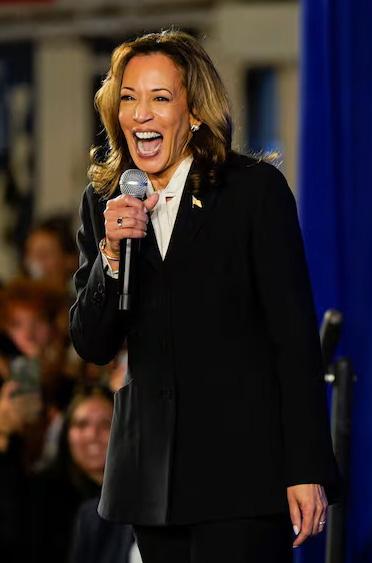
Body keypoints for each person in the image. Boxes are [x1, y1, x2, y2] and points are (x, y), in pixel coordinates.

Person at [70, 29, 340, 563]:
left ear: (194, 112)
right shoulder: (106, 199)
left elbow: (293, 340)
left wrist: (307, 466)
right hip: (150, 483)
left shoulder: (251, 191)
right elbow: (91, 343)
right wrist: (111, 257)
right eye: (129, 98)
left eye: (159, 98)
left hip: (240, 476)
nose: (140, 114)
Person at [29, 385, 113, 563]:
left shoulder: (140, 499)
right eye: (81, 424)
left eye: (106, 424)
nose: (92, 435)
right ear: (66, 433)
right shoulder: (39, 494)